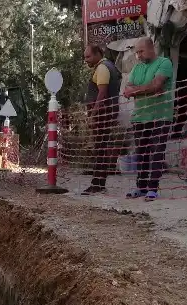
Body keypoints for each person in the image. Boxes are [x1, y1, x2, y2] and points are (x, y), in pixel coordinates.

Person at [123, 37, 174, 201]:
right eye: (136, 52)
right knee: (141, 153)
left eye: (141, 51)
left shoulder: (164, 63)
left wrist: (137, 90)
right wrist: (147, 89)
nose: (138, 55)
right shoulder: (137, 68)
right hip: (139, 117)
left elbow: (156, 85)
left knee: (157, 153)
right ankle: (141, 187)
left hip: (160, 115)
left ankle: (153, 189)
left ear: (151, 48)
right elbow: (127, 89)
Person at [81, 44, 122, 195]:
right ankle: (99, 183)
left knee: (100, 149)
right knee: (102, 148)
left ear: (98, 54)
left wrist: (93, 116)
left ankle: (97, 185)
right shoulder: (107, 66)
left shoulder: (103, 68)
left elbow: (102, 93)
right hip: (105, 113)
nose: (86, 60)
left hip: (102, 115)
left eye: (88, 56)